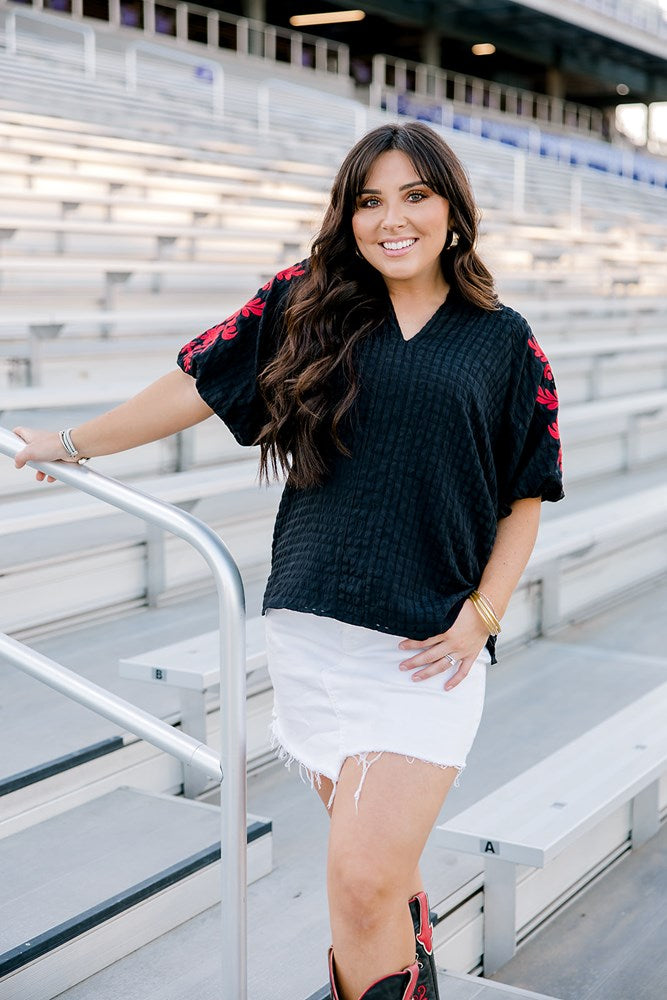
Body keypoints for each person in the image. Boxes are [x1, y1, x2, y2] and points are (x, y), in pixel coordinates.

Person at [13, 122, 564, 1000]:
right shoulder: (305, 300)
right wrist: (71, 443)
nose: (392, 219)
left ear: (453, 211)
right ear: (347, 216)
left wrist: (481, 618)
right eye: (368, 200)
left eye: (414, 196)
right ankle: (409, 948)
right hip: (312, 634)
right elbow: (194, 384)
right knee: (374, 884)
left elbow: (525, 498)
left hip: (426, 653)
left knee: (356, 882)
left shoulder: (505, 343)